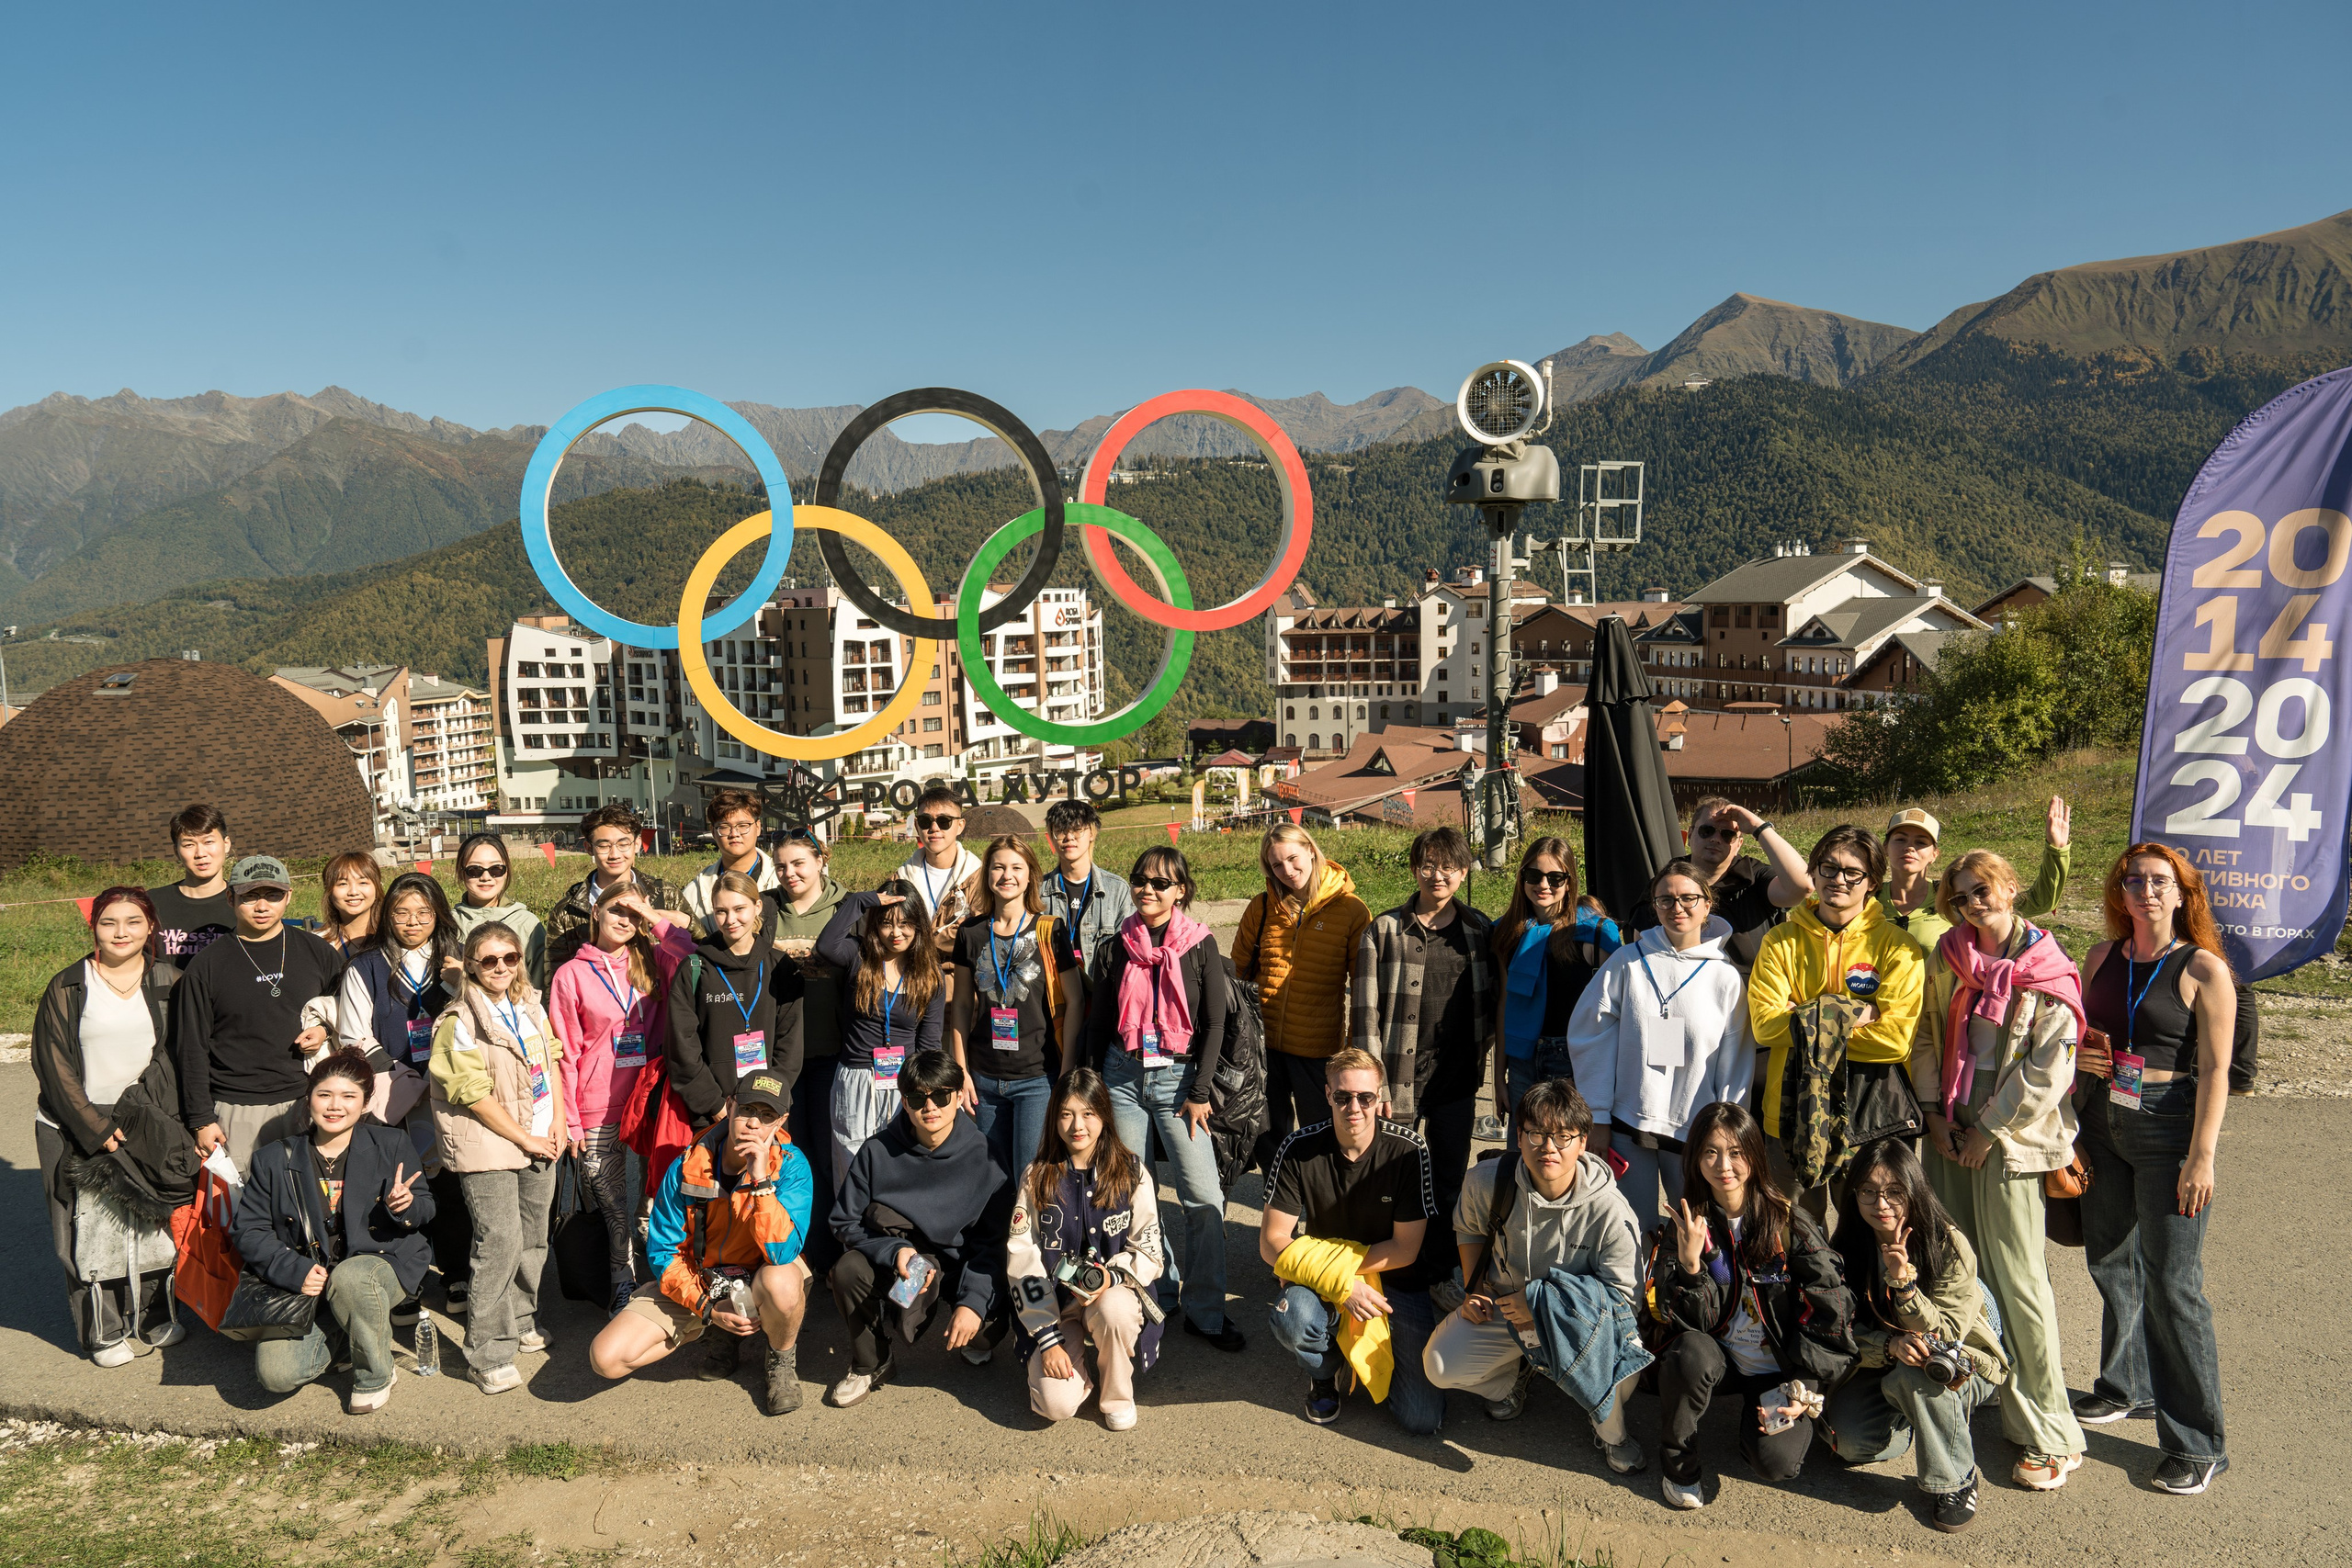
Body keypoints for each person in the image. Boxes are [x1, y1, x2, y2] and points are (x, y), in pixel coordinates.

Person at [1917, 850, 2088, 1492]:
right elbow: (1928, 1034)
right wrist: (1935, 1114)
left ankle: (2051, 1430)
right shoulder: (1951, 956)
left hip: (2010, 1136)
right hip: (1951, 1126)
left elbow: (2049, 1069)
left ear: (2012, 888)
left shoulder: (2046, 966)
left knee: (2019, 1280)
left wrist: (1987, 1130)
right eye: (1959, 896)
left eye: (1981, 888)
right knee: (1962, 1270)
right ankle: (1988, 1387)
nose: (1972, 902)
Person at [2074, 843, 2236, 1495]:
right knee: (2109, 1258)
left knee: (2173, 1284)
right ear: (2120, 890)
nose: (2145, 889)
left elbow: (2220, 1070)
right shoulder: (2101, 957)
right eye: (2133, 878)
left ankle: (2199, 1444)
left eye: (2159, 880)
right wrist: (2081, 1073)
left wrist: (2203, 1154)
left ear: (2181, 893)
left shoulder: (2202, 967)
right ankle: (2126, 1386)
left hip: (2169, 1124)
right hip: (2104, 1115)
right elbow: (2083, 1035)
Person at [1422, 1080, 1645, 1472]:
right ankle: (1515, 1378)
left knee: (1624, 1382)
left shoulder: (1611, 1211)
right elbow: (1470, 1229)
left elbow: (1624, 1301)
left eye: (1562, 1136)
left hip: (1581, 1323)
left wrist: (1543, 1301)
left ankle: (1612, 1432)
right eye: (1536, 1134)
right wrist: (1474, 1288)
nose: (1549, 1147)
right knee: (1439, 1364)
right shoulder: (1488, 1180)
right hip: (1507, 1308)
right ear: (1519, 1136)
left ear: (1583, 1142)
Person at [1652, 1101, 1855, 1509]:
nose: (1723, 1164)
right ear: (1695, 1158)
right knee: (1689, 1353)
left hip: (1779, 1369)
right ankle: (1679, 1468)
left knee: (1775, 1464)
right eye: (1710, 1151)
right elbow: (1684, 1325)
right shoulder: (1687, 1224)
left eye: (1736, 1152)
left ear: (1754, 1156)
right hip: (1719, 1359)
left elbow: (1830, 1313)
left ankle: (1753, 1428)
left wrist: (1804, 1386)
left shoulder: (1789, 1223)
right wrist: (1691, 1267)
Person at [31, 886, 198, 1365]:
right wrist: (93, 1126)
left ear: (151, 929)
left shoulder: (170, 979)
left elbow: (187, 1050)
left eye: (132, 922)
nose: (121, 932)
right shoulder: (68, 985)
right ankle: (101, 1331)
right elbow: (53, 1063)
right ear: (93, 927)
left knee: (154, 1221)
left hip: (148, 1118)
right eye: (109, 922)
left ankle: (154, 1316)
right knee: (85, 1228)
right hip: (74, 1122)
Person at [1083, 845, 1239, 1351]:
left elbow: (1216, 1022)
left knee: (1203, 1198)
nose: (1147, 889)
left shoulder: (1200, 944)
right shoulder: (1114, 947)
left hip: (1179, 1083)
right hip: (1123, 1079)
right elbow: (1097, 1023)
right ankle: (1161, 1289)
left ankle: (1206, 1309)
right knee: (1135, 1197)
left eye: (1160, 882)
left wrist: (1199, 1092)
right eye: (1140, 880)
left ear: (1181, 890)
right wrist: (1091, 1087)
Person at [588, 1070, 815, 1416]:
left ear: (780, 1121)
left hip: (760, 1275)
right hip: (700, 1278)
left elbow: (782, 1252)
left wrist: (761, 1182)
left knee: (783, 1280)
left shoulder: (792, 1166)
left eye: (767, 1115)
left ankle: (781, 1359)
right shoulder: (685, 1165)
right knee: (606, 1359)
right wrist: (708, 1307)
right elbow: (664, 1252)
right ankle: (713, 1330)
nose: (754, 1123)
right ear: (730, 1106)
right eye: (747, 1110)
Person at [1820, 1140, 2010, 1534]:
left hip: (1962, 1363)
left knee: (1915, 1376)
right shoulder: (1848, 1245)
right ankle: (1930, 1422)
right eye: (1868, 1191)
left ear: (1914, 1191)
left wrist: (1904, 1285)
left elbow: (1948, 1333)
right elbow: (1840, 1327)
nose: (1881, 1203)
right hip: (1886, 1361)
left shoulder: (1947, 1241)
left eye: (1894, 1192)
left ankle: (1956, 1479)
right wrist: (1887, 1347)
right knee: (1850, 1443)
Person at [236, 1050, 435, 1415]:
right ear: (309, 1096)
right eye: (324, 1094)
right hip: (311, 1281)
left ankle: (376, 1374)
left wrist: (403, 1206)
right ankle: (351, 1335)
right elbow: (250, 1230)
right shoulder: (273, 1159)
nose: (334, 1106)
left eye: (348, 1097)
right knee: (277, 1375)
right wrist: (292, 1270)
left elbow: (425, 1208)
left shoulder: (389, 1144)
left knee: (352, 1277)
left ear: (364, 1102)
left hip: (379, 1267)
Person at [1260, 1048, 1444, 1434]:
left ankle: (1355, 1351)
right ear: (1328, 1095)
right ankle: (1324, 1373)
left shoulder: (1410, 1150)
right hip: (1322, 1283)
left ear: (1381, 1097)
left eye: (1365, 1097)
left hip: (1395, 1279)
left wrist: (1335, 1274)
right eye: (1342, 1097)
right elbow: (1272, 1240)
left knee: (1421, 1418)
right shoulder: (1297, 1147)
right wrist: (1339, 1285)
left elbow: (1405, 1249)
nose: (1354, 1108)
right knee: (1293, 1317)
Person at [1747, 825, 1925, 1225]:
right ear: (1813, 873)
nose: (1837, 880)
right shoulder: (1779, 942)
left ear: (1872, 883)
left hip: (1870, 1118)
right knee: (1790, 1235)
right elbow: (1764, 1026)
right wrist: (1854, 1014)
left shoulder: (1898, 946)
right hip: (1788, 1115)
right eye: (1827, 868)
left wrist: (1803, 1013)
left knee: (1871, 1234)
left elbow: (1894, 1041)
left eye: (1852, 872)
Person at [1567, 861, 1752, 1233]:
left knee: (1699, 1235)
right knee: (1629, 1233)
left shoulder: (1725, 977)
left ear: (1707, 903)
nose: (1677, 908)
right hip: (1627, 1123)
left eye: (1688, 898)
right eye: (1665, 900)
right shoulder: (1627, 962)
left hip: (1697, 1131)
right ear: (1653, 906)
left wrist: (1728, 1134)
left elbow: (1736, 1060)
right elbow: (1590, 1038)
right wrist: (1598, 1115)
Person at [427, 920, 569, 1395]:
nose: (501, 968)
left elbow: (550, 1059)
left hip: (540, 1134)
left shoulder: (529, 1004)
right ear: (470, 965)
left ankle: (523, 1316)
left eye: (510, 958)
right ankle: (487, 1350)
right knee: (499, 1241)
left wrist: (559, 1121)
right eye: (489, 960)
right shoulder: (457, 1020)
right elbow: (472, 1094)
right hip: (490, 1142)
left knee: (533, 1236)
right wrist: (524, 1139)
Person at [1351, 826, 1496, 1284]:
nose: (1438, 875)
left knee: (1450, 1178)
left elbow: (1492, 1006)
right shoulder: (1384, 930)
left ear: (1463, 871)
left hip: (1456, 1078)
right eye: (1429, 865)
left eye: (1449, 866)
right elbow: (1364, 1017)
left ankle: (1439, 1268)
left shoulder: (1478, 929)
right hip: (1397, 1078)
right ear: (1415, 869)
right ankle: (1390, 1269)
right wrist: (1376, 1086)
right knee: (1392, 1178)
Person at [825, 1049, 1009, 1406]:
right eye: (917, 1098)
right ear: (904, 1103)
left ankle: (975, 1331)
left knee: (984, 1335)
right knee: (847, 1270)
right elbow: (843, 1220)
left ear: (958, 1096)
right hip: (906, 1261)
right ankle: (870, 1362)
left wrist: (972, 1302)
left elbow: (995, 1241)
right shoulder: (876, 1151)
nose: (930, 1108)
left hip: (961, 1263)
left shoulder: (985, 1154)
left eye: (941, 1095)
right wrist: (894, 1250)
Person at [550, 890, 695, 1314]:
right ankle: (621, 1280)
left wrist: (652, 917)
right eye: (617, 909)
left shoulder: (654, 959)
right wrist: (571, 1121)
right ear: (595, 911)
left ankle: (671, 1275)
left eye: (634, 913)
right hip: (598, 1103)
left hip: (653, 1100)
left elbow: (691, 953)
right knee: (612, 1204)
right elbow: (567, 1051)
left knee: (660, 1197)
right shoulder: (571, 975)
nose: (625, 918)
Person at [1007, 1068, 1164, 1428]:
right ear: (1054, 1119)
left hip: (1112, 1295)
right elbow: (1022, 1258)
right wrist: (1047, 1338)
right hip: (1055, 1306)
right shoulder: (1037, 1176)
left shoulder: (1131, 1172)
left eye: (1088, 1113)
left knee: (1114, 1312)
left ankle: (1116, 1395)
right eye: (1066, 1114)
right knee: (1056, 1406)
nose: (1078, 1125)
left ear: (1104, 1116)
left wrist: (1113, 1276)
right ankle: (1072, 1364)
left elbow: (1151, 1250)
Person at [174, 855, 342, 1173]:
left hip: (309, 1100)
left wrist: (323, 1030)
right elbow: (191, 1049)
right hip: (238, 1109)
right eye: (250, 896)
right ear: (230, 897)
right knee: (248, 1213)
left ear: (289, 896)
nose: (262, 906)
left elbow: (344, 1010)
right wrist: (201, 1120)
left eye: (273, 896)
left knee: (314, 1208)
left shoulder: (318, 952)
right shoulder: (206, 966)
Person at [1235, 824, 1370, 1170]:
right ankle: (1277, 1203)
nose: (1287, 871)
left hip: (1317, 1048)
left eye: (1292, 859)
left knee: (1320, 1136)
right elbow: (1237, 973)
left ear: (1311, 850)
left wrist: (1354, 1048)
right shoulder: (1262, 907)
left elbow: (1364, 985)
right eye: (1276, 865)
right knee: (1266, 1135)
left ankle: (1322, 1210)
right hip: (1263, 1045)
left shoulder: (1351, 910)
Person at [948, 836, 1068, 1186]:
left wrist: (1068, 1068)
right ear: (987, 874)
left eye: (1017, 867)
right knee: (991, 1182)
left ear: (1031, 875)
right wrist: (961, 1071)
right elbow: (961, 1007)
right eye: (998, 867)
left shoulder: (1050, 930)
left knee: (1029, 1180)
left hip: (1037, 1078)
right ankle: (997, 1243)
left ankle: (1029, 1243)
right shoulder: (970, 933)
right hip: (983, 1079)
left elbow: (1073, 1003)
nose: (1007, 875)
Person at [817, 883, 946, 1184]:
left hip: (905, 1085)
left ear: (919, 925)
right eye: (886, 923)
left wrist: (924, 1096)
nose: (895, 932)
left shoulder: (929, 974)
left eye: (905, 923)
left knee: (901, 1171)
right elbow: (825, 946)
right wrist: (861, 900)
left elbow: (929, 1044)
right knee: (852, 1170)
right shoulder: (858, 956)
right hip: (856, 1080)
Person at [663, 871, 804, 1134]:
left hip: (767, 1113)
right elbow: (681, 1049)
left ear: (757, 906)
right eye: (721, 911)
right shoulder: (695, 969)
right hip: (711, 1115)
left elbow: (790, 1045)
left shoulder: (781, 967)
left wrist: (765, 1105)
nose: (731, 920)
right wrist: (714, 1104)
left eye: (739, 909)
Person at [1492, 837, 1612, 1131]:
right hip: (1522, 1060)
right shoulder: (1507, 931)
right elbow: (1505, 1006)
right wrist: (1498, 1078)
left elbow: (1613, 1016)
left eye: (1555, 877)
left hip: (1574, 1061)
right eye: (1533, 875)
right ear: (1522, 880)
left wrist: (1593, 1076)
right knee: (1523, 1154)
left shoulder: (1594, 932)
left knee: (1565, 1152)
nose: (1543, 884)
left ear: (1569, 882)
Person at [772, 829, 848, 1276]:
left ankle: (831, 1250)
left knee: (829, 1158)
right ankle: (798, 1251)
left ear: (822, 860)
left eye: (799, 863)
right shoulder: (765, 909)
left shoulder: (845, 908)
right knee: (789, 1158)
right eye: (782, 865)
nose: (790, 873)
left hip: (832, 1055)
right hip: (782, 1060)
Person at [1627, 798, 1812, 972]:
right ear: (1691, 833)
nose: (1715, 839)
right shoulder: (1669, 881)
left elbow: (1803, 886)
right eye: (1707, 831)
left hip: (1752, 999)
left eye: (1727, 834)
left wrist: (1759, 827)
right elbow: (1640, 947)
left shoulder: (1753, 877)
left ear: (1739, 844)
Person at [1881, 798, 2071, 951]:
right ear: (1886, 848)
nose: (1909, 848)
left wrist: (2056, 850)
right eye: (1900, 839)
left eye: (1921, 842)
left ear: (1934, 855)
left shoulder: (1954, 896)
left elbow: (2040, 901)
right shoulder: (1868, 897)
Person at [545, 805, 682, 971]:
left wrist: (679, 923)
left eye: (623, 844)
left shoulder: (666, 894)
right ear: (589, 848)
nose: (614, 854)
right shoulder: (566, 911)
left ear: (637, 844)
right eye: (603, 846)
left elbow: (701, 948)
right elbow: (555, 980)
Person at [1039, 798, 1136, 1026]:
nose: (1068, 837)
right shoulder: (1037, 891)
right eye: (1060, 830)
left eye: (1077, 830)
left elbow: (1129, 955)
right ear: (1051, 836)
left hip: (1103, 1003)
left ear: (1092, 833)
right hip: (1052, 1003)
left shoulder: (1117, 890)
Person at [452, 832, 548, 991]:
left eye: (496, 869)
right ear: (461, 873)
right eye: (475, 870)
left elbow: (540, 989)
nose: (486, 877)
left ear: (506, 871)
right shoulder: (448, 923)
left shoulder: (527, 923)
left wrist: (462, 977)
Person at [681, 789, 782, 936]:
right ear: (713, 832)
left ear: (758, 827)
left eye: (743, 826)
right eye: (724, 827)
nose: (734, 834)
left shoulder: (781, 878)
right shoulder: (697, 890)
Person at [147, 803, 236, 962]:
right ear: (176, 851)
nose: (200, 853)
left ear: (226, 844)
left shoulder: (244, 902)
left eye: (208, 842)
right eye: (189, 845)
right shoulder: (151, 903)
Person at [896, 784, 979, 952]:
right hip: (911, 974)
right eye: (926, 821)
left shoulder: (978, 877)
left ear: (960, 825)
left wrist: (918, 940)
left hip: (958, 975)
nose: (934, 829)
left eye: (944, 821)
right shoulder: (900, 878)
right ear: (918, 826)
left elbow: (976, 934)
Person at [318, 852, 384, 959]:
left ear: (377, 888)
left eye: (363, 883)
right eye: (343, 884)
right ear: (329, 891)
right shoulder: (317, 943)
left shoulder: (394, 936)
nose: (353, 892)